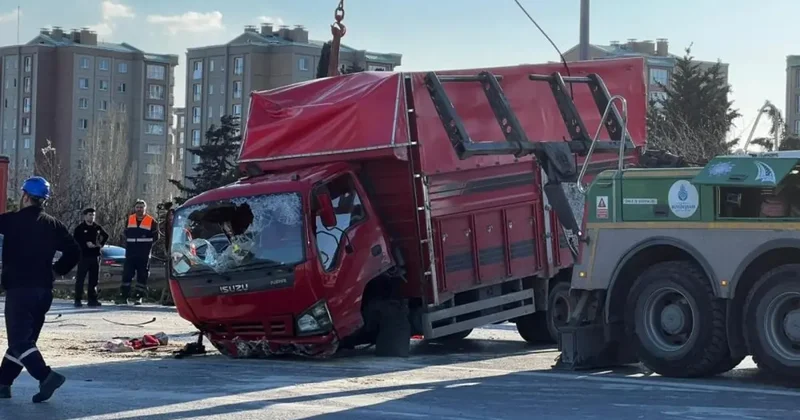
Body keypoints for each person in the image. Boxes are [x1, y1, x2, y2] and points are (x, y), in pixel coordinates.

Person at [0, 176, 81, 402]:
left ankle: (46, 376)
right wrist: (57, 270)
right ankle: (3, 383)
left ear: (25, 196)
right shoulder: (53, 224)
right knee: (24, 342)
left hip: (20, 289)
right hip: (43, 291)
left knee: (19, 342)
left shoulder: (11, 221)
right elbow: (75, 251)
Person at [116, 199, 159, 305]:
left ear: (145, 208)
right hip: (131, 252)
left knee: (142, 275)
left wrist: (147, 246)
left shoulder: (151, 221)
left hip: (144, 253)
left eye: (141, 207)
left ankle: (138, 297)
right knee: (127, 274)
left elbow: (156, 236)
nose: (139, 209)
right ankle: (124, 296)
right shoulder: (130, 219)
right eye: (137, 207)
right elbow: (124, 233)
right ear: (135, 208)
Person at [73, 207, 109, 307]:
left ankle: (92, 299)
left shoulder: (97, 227)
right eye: (90, 215)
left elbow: (106, 236)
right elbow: (74, 241)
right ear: (85, 216)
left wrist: (100, 244)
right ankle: (78, 299)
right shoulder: (79, 228)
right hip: (84, 256)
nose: (92, 217)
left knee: (94, 279)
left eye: (93, 215)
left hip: (95, 256)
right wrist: (85, 244)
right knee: (80, 279)